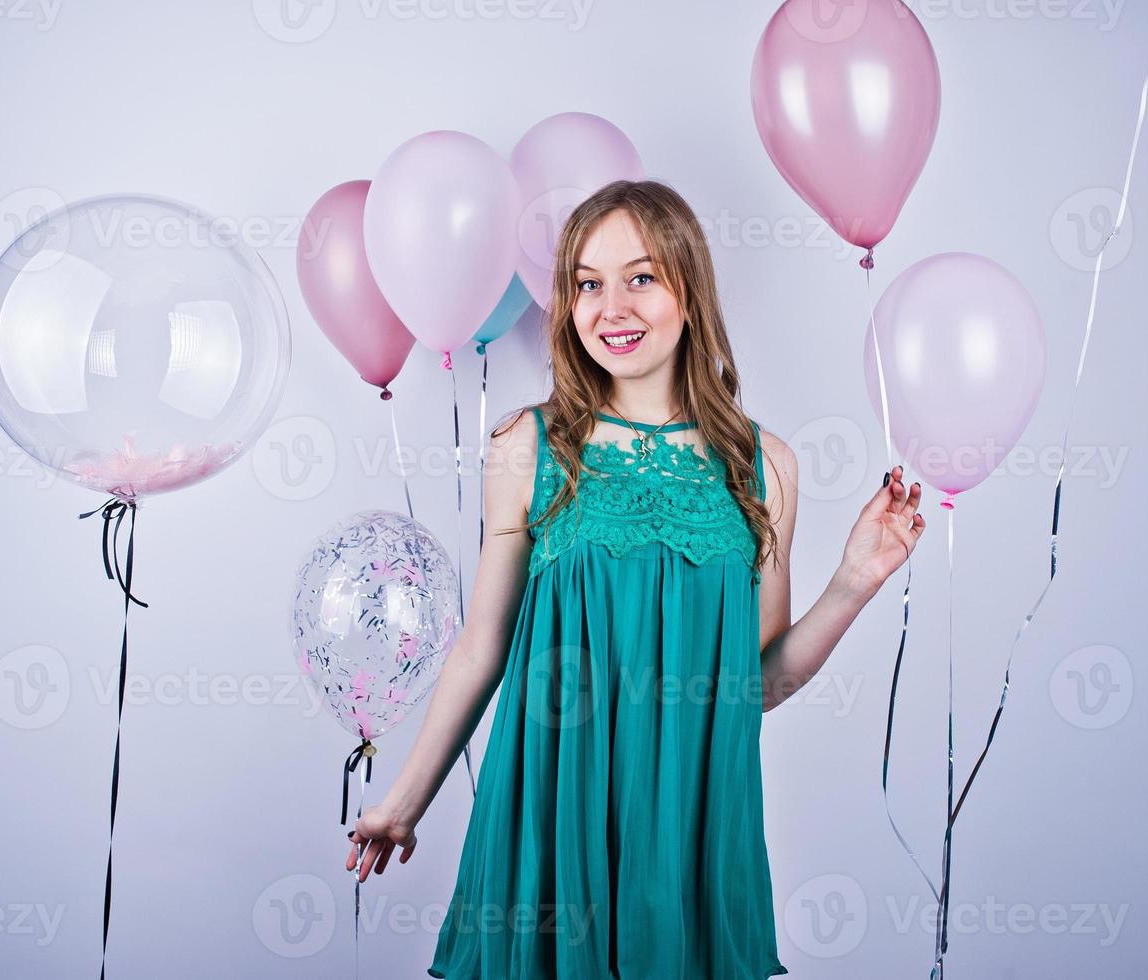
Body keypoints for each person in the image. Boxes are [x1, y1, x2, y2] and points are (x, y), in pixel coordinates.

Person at [346, 179, 926, 978]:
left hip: (690, 826)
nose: (609, 306)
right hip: (554, 810)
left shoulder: (765, 467)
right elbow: (481, 649)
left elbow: (751, 685)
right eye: (587, 284)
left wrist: (854, 581)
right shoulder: (529, 445)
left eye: (640, 277)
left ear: (689, 289)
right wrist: (402, 804)